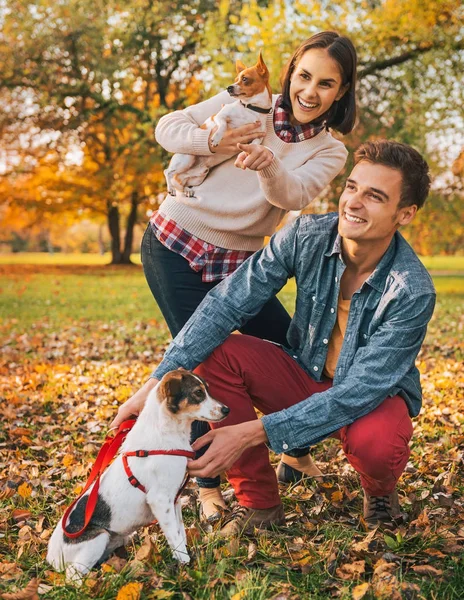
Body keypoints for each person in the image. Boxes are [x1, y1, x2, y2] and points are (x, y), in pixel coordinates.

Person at [112, 140, 436, 535]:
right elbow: (226, 304)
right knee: (216, 354)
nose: (354, 202)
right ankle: (260, 505)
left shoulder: (411, 289)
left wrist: (251, 433)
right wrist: (156, 381)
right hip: (306, 377)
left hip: (370, 399)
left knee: (379, 446)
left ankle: (380, 491)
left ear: (405, 214)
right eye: (352, 187)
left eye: (375, 196)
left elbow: (358, 392)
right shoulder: (305, 235)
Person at [140, 31, 357, 520]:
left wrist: (266, 164)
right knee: (202, 359)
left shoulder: (330, 150)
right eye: (304, 76)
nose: (309, 91)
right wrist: (210, 138)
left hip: (244, 262)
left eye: (326, 84)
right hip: (176, 242)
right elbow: (168, 127)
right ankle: (210, 483)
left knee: (295, 355)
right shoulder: (248, 100)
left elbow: (293, 196)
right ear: (290, 72)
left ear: (340, 92)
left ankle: (293, 447)